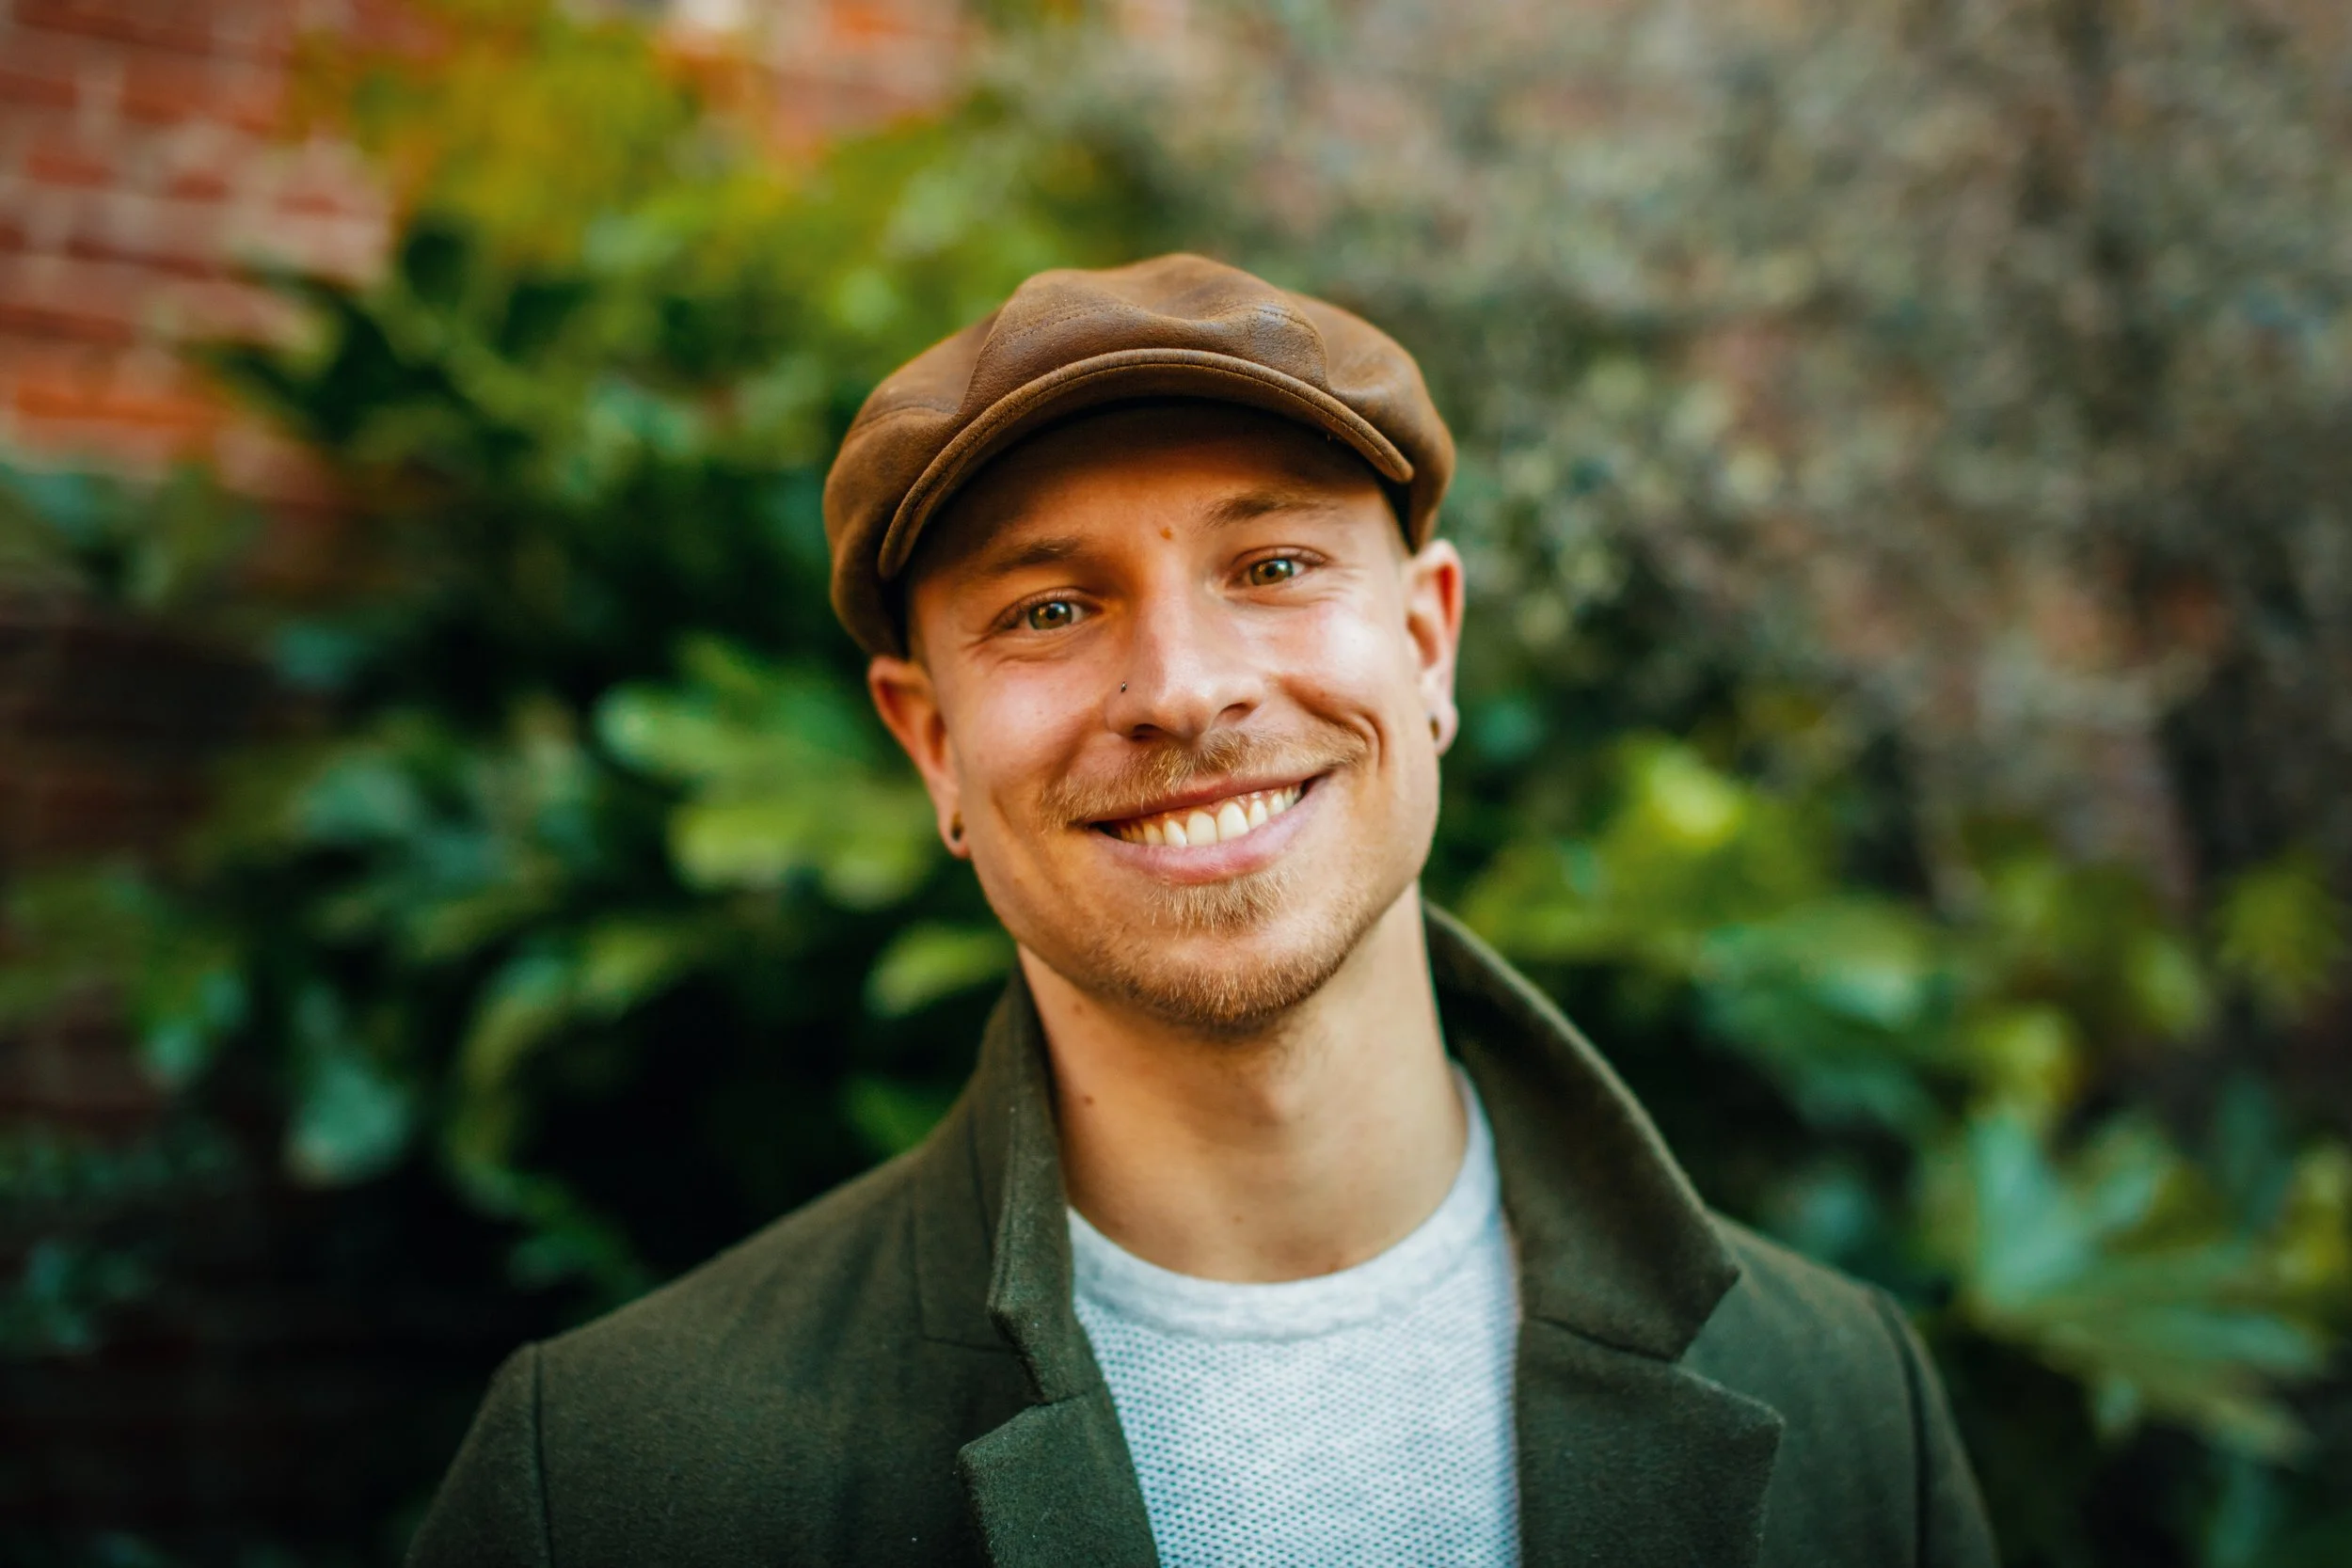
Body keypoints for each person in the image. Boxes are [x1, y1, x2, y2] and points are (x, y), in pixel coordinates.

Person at [407, 254, 1996, 1568]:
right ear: (933, 741)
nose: (1182, 688)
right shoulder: (617, 1481)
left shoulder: (1853, 1402)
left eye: (1278, 562)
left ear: (1430, 646)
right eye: (1049, 608)